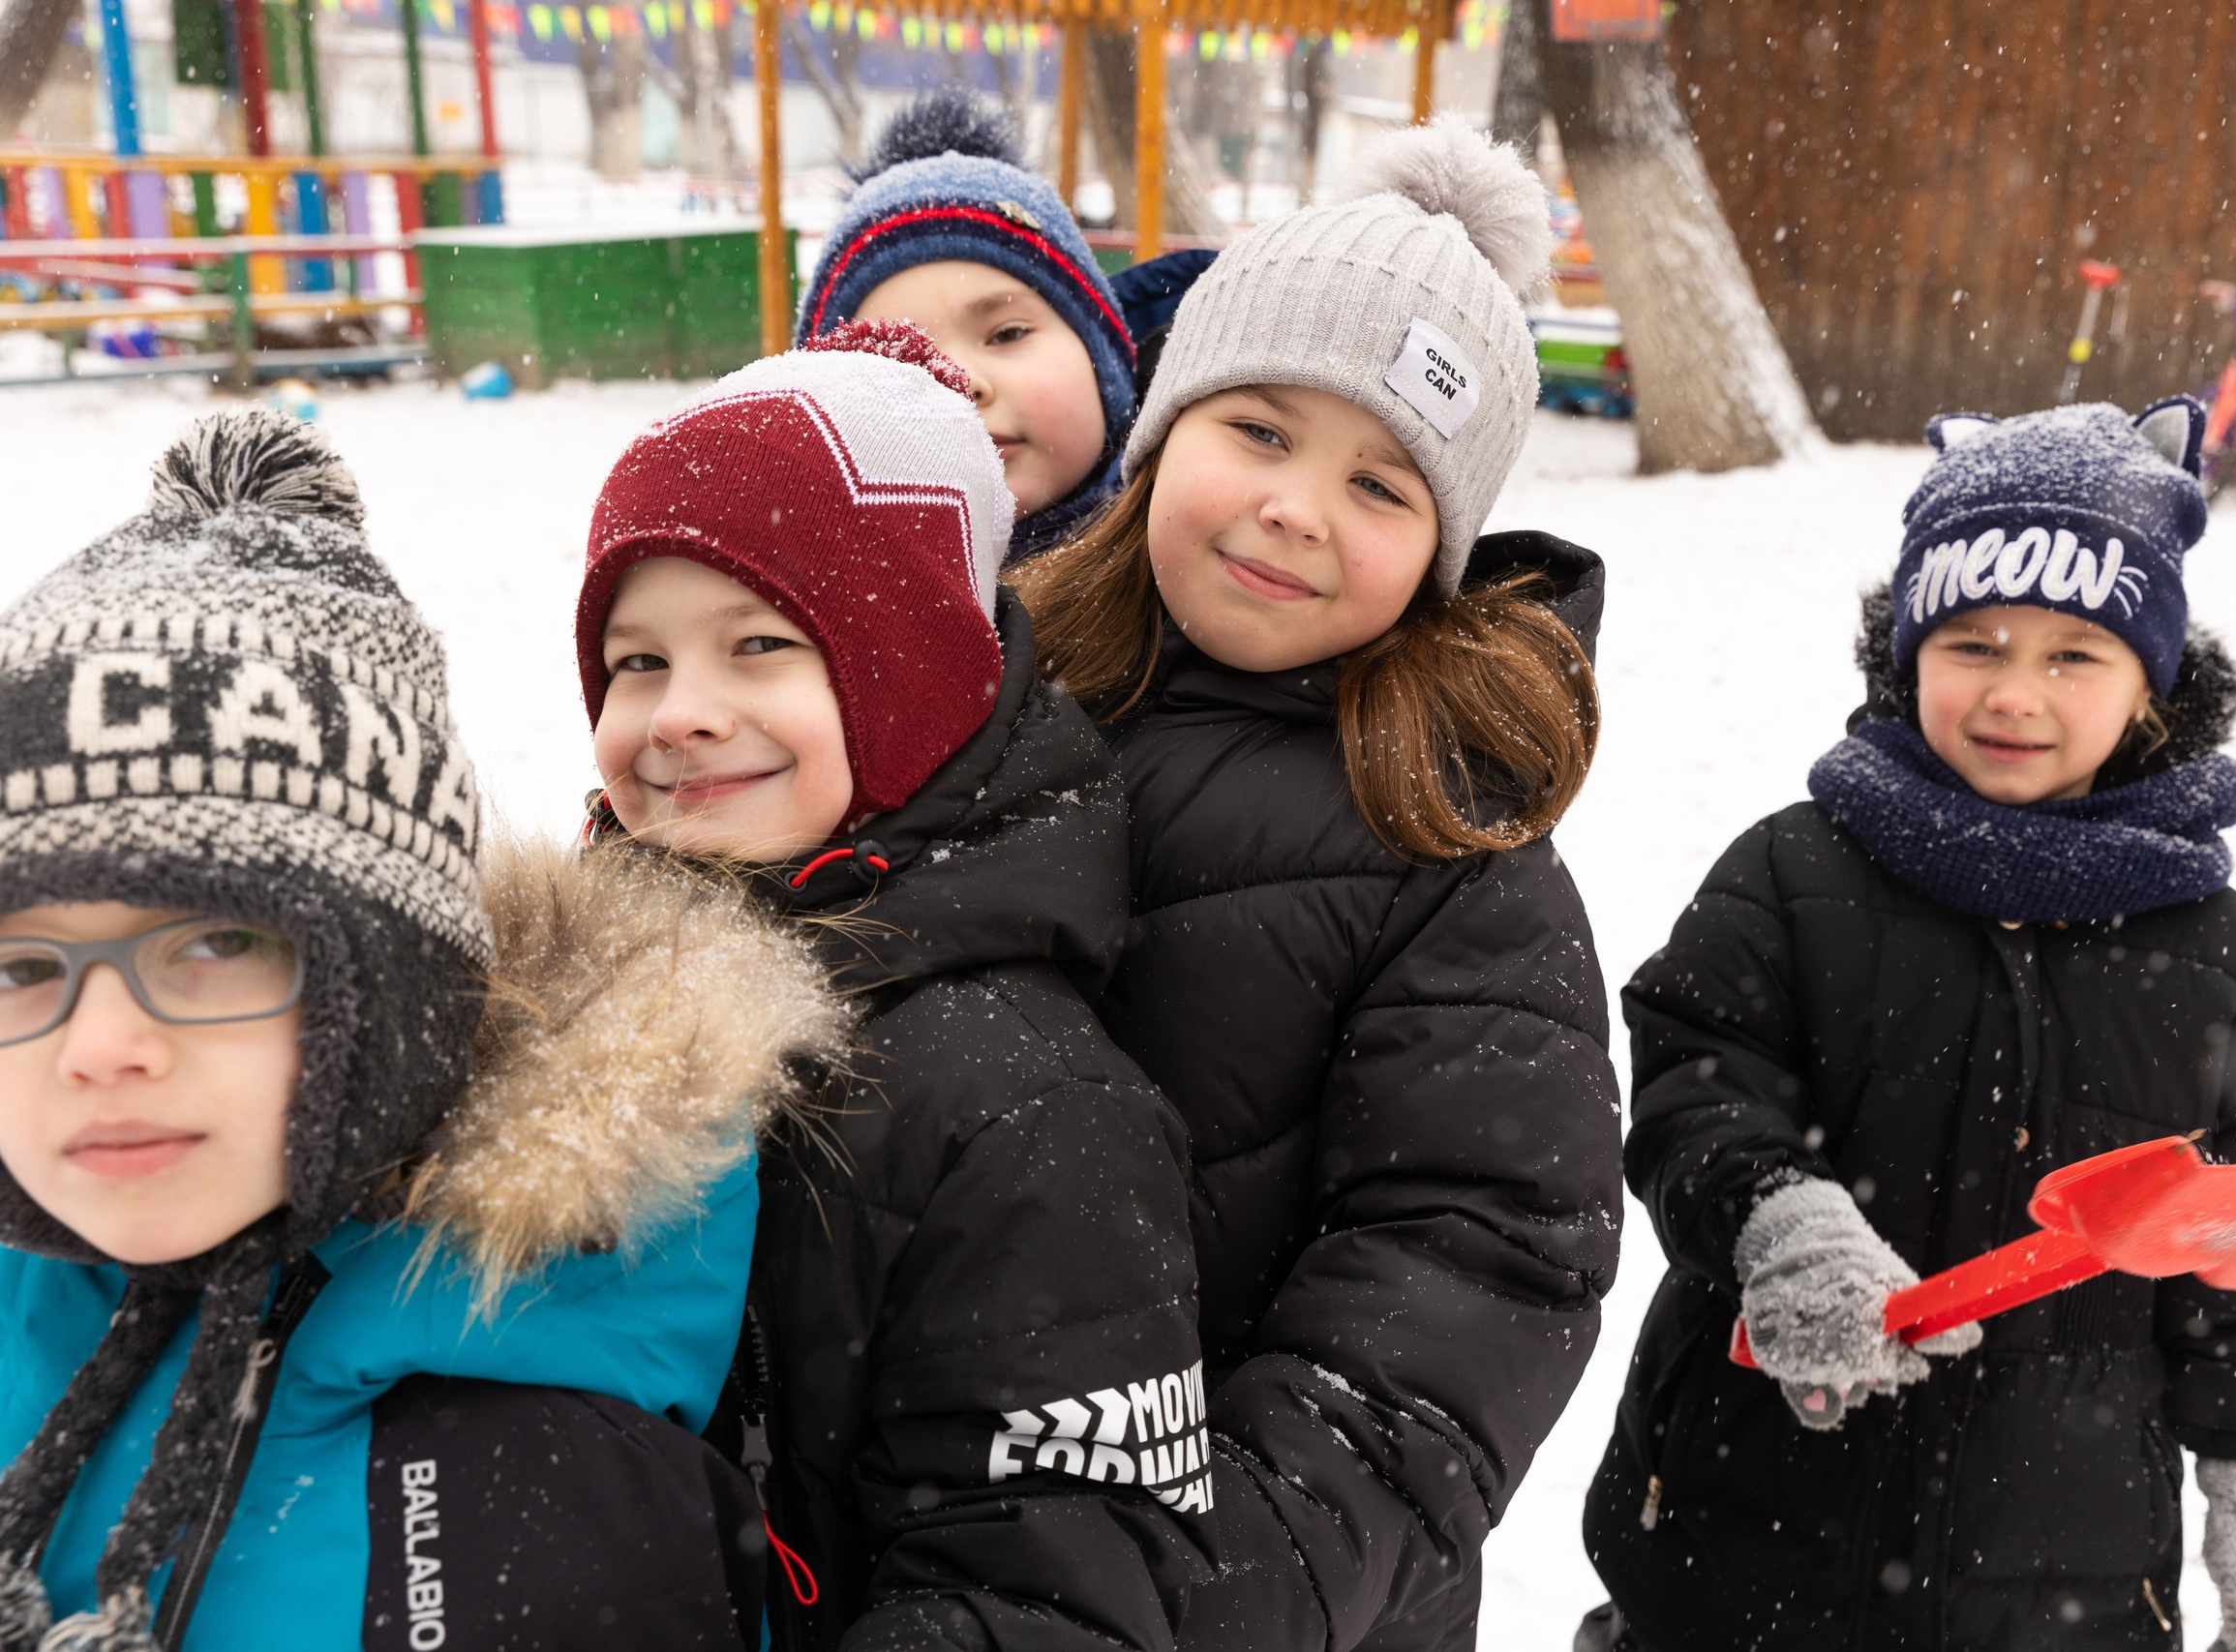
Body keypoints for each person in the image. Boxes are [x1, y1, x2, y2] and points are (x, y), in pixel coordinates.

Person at [0, 409, 845, 1651]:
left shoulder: (556, 1507)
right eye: (23, 963)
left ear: (397, 999)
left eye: (218, 944)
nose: (98, 1044)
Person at [1578, 400, 2236, 1652]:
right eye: (1974, 642)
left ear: (2150, 682)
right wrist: (1777, 1215)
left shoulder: (2229, 963)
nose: (2013, 693)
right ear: (1909, 650)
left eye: (2072, 656)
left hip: (2066, 1583)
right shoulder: (1792, 874)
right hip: (1743, 1540)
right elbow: (1693, 1085)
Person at [1009, 119, 1623, 1652]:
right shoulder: (991, 697)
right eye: (1262, 431)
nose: (1299, 506)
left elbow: (1477, 1252)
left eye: (1382, 483)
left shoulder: (1455, 844)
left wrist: (1204, 1576)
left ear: (1440, 550)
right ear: (1158, 436)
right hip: (920, 1506)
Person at [574, 321, 1214, 1651]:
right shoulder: (578, 1000)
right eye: (638, 660)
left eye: (758, 645)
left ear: (912, 683)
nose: (679, 708)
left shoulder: (1023, 1103)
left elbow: (1049, 1593)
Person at [797, 87, 1213, 561]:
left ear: (1105, 364)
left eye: (1007, 334)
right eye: (899, 362)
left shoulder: (1200, 567)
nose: (961, 382)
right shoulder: (777, 603)